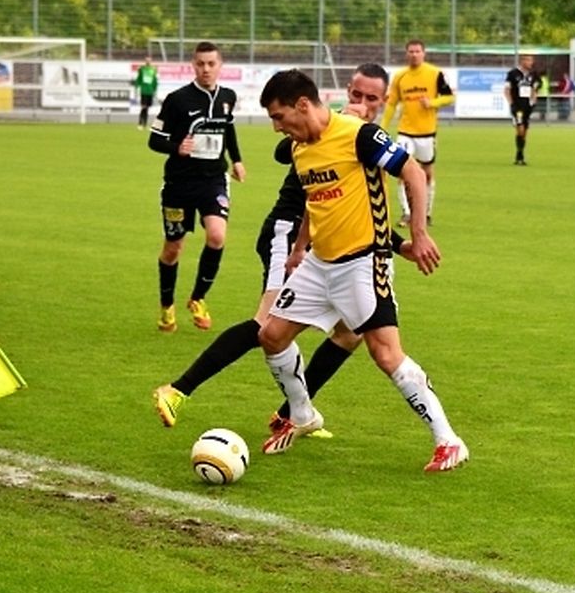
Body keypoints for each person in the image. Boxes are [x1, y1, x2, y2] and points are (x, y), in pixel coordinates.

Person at [152, 64, 416, 434]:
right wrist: (340, 115)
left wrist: (401, 245)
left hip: (330, 245)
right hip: (288, 231)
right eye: (356, 94)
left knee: (350, 334)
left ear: (384, 101)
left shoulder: (367, 138)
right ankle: (177, 390)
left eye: (371, 98)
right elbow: (281, 152)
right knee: (266, 324)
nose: (362, 102)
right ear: (346, 91)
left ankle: (291, 414)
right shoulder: (319, 124)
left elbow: (360, 212)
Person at [258, 69, 468, 472]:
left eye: (279, 116)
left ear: (302, 104)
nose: (277, 127)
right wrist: (299, 249)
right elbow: (315, 202)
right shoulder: (300, 149)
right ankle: (301, 415)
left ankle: (449, 440)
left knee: (385, 353)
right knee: (272, 335)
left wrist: (418, 234)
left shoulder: (359, 136)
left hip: (363, 262)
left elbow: (413, 172)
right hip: (319, 263)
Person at [148, 41, 245, 333]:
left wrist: (237, 160)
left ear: (220, 65)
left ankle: (198, 298)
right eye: (200, 64)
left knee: (216, 236)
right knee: (173, 248)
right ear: (193, 65)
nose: (206, 69)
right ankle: (167, 305)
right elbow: (154, 139)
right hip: (179, 184)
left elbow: (228, 130)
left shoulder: (228, 97)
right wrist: (177, 147)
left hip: (213, 180)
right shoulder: (177, 100)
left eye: (211, 64)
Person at [380, 40, 453, 227]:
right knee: (402, 172)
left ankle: (426, 213)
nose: (414, 54)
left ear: (423, 53)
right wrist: (383, 126)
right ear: (406, 54)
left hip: (427, 133)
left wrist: (433, 103)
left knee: (426, 173)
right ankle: (407, 213)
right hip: (405, 132)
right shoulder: (400, 77)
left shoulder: (435, 74)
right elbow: (391, 104)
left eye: (417, 51)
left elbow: (450, 97)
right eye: (411, 51)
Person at [504, 53, 537, 165]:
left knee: (525, 132)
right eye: (528, 60)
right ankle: (520, 155)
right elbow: (507, 90)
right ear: (522, 61)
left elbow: (534, 89)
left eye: (531, 60)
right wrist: (511, 104)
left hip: (527, 106)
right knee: (520, 129)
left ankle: (520, 154)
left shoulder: (532, 75)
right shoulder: (512, 74)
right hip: (517, 107)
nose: (531, 62)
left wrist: (533, 101)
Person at [132, 56, 159, 129]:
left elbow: (155, 80)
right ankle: (140, 123)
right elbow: (139, 78)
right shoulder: (142, 69)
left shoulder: (153, 69)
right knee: (143, 107)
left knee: (147, 108)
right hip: (144, 90)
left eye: (149, 60)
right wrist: (136, 86)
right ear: (145, 61)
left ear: (151, 61)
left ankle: (145, 124)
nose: (148, 62)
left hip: (150, 91)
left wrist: (155, 89)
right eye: (147, 60)